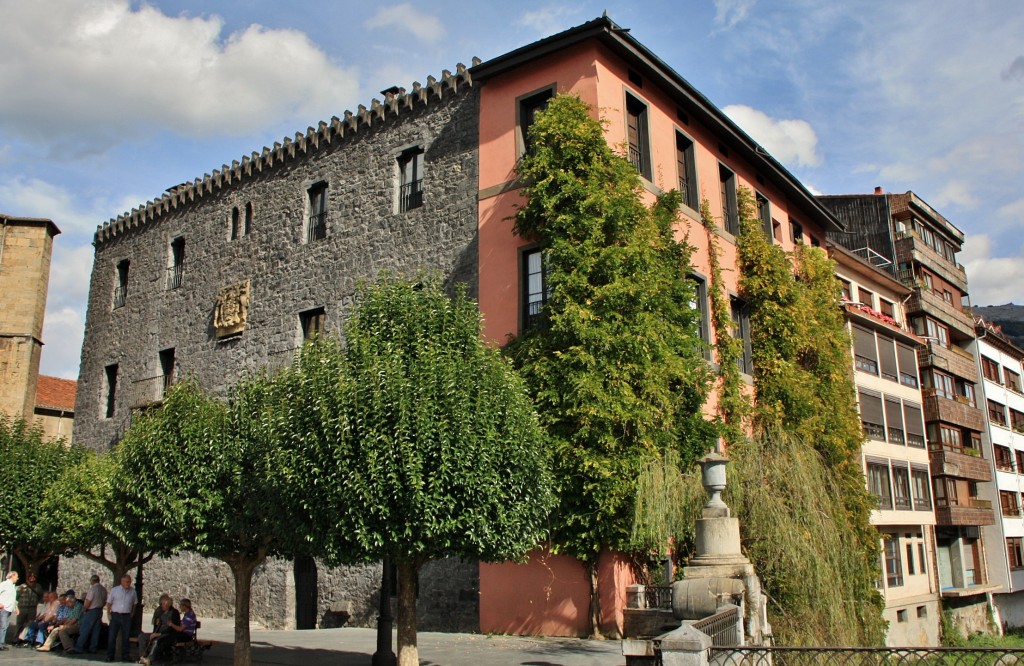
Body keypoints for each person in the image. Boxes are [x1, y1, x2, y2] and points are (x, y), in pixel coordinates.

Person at [70, 573, 107, 654]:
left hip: (91, 610)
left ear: (92, 581)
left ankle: (79, 647)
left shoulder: (93, 589)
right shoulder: (103, 589)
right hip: (99, 610)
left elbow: (88, 601)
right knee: (96, 631)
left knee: (85, 629)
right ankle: (93, 648)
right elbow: (105, 601)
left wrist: (85, 609)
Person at [138, 594, 180, 666]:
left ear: (169, 604)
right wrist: (155, 623)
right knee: (142, 636)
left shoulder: (174, 613)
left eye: (164, 604)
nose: (162, 605)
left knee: (157, 641)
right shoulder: (159, 611)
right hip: (157, 632)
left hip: (168, 634)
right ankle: (143, 657)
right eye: (161, 604)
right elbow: (154, 623)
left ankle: (150, 659)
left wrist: (158, 634)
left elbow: (171, 629)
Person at [106, 575, 137, 663]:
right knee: (112, 636)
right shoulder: (115, 590)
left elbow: (135, 603)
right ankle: (110, 655)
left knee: (126, 636)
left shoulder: (132, 591)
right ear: (122, 581)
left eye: (129, 581)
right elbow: (109, 602)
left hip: (126, 616)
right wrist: (108, 613)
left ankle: (125, 655)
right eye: (126, 581)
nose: (128, 583)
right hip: (115, 615)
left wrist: (132, 613)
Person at [13, 572, 43, 645]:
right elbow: (16, 596)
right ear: (28, 578)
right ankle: (16, 639)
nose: (32, 579)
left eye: (34, 577)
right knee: (19, 624)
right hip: (22, 608)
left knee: (30, 624)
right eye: (30, 577)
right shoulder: (22, 586)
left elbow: (40, 596)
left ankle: (26, 639)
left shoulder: (38, 587)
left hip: (32, 608)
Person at [0, 571, 18, 649]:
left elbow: (13, 598)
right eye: (16, 576)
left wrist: (16, 607)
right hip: (3, 608)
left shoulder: (12, 586)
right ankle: (0, 643)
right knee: (3, 626)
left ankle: (2, 642)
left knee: (5, 626)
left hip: (9, 609)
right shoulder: (4, 584)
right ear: (12, 576)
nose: (17, 578)